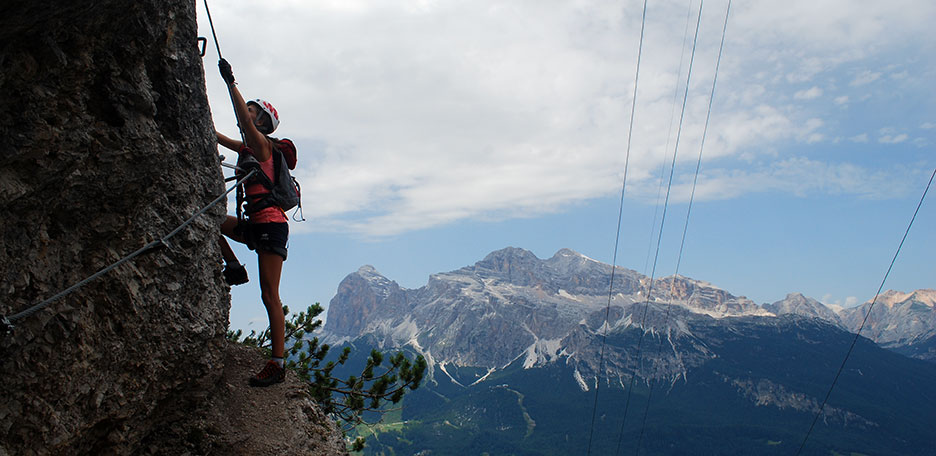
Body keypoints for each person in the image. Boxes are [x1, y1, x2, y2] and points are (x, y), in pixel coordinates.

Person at [216, 58, 288, 387]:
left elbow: (244, 126)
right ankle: (233, 265)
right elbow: (220, 137)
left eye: (254, 112)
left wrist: (231, 83)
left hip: (271, 225)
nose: (249, 113)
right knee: (212, 220)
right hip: (258, 224)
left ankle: (277, 363)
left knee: (269, 295)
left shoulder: (262, 146)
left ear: (263, 123)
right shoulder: (249, 147)